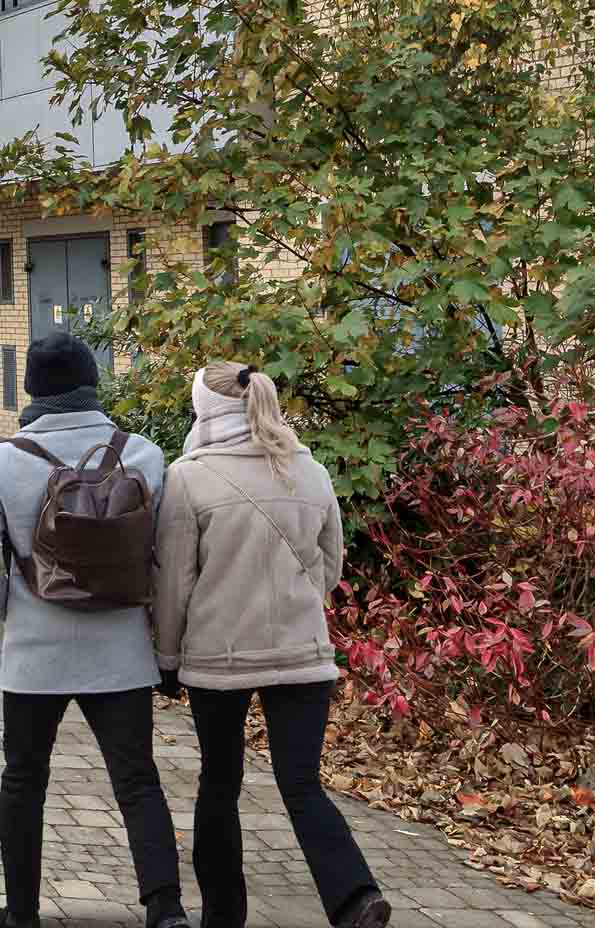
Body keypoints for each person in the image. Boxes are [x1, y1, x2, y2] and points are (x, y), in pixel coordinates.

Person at [0, 332, 187, 928]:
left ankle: (23, 914)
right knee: (137, 781)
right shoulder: (143, 456)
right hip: (122, 653)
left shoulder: (0, 462)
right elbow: (164, 557)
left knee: (24, 780)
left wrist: (15, 608)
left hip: (36, 657)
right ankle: (165, 910)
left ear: (31, 390)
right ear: (92, 382)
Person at [156, 362, 389, 928]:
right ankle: (356, 897)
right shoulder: (310, 470)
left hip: (219, 658)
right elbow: (330, 568)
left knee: (219, 783)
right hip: (302, 653)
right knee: (302, 782)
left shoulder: (188, 478)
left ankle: (223, 916)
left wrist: (167, 659)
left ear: (205, 409)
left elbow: (174, 584)